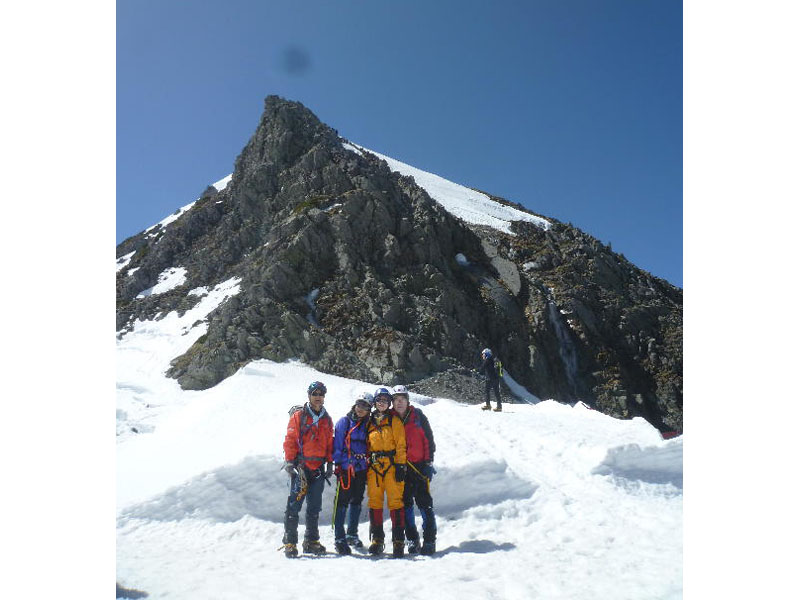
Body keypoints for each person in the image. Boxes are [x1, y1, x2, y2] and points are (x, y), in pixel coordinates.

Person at [281, 380, 334, 558]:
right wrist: (289, 462)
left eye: (320, 394)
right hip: (301, 468)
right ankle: (290, 542)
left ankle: (311, 541)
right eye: (315, 394)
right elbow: (290, 439)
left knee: (314, 507)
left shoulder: (326, 419)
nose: (318, 397)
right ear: (309, 396)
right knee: (294, 505)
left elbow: (329, 443)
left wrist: (329, 463)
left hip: (318, 468)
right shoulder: (299, 417)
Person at [391, 384, 438, 555]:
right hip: (401, 469)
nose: (399, 403)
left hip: (419, 468)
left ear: (407, 400)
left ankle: (430, 540)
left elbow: (428, 440)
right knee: (406, 506)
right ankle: (412, 538)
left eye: (402, 399)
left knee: (425, 506)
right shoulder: (391, 418)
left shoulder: (418, 416)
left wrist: (428, 462)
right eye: (396, 400)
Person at [365, 386, 407, 558]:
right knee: (375, 502)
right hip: (374, 467)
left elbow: (401, 444)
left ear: (389, 403)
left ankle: (398, 541)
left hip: (391, 465)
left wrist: (400, 466)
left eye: (385, 400)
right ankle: (377, 539)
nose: (382, 403)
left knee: (396, 502)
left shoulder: (394, 421)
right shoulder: (369, 422)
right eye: (379, 400)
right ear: (374, 403)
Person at [331, 391, 372, 555]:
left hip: (361, 469)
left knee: (356, 501)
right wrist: (344, 463)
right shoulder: (344, 422)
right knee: (341, 502)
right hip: (347, 470)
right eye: (359, 405)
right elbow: (337, 448)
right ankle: (339, 538)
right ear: (355, 405)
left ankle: (352, 534)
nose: (361, 409)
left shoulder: (368, 425)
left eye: (365, 406)